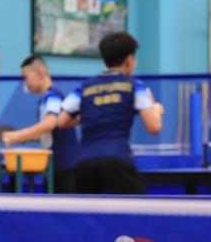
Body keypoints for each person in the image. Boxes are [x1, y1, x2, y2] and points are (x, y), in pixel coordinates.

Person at [58, 31, 164, 194]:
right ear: (130, 60)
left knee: (88, 210)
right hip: (117, 159)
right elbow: (154, 127)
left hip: (84, 162)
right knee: (138, 209)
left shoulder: (84, 87)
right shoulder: (135, 86)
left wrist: (91, 113)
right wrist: (156, 108)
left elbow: (61, 121)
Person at [1, 55, 79, 193]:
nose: (25, 83)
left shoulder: (52, 96)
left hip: (65, 168)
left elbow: (50, 123)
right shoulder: (44, 100)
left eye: (26, 77)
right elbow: (49, 132)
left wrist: (18, 135)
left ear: (40, 73)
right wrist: (28, 138)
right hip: (56, 167)